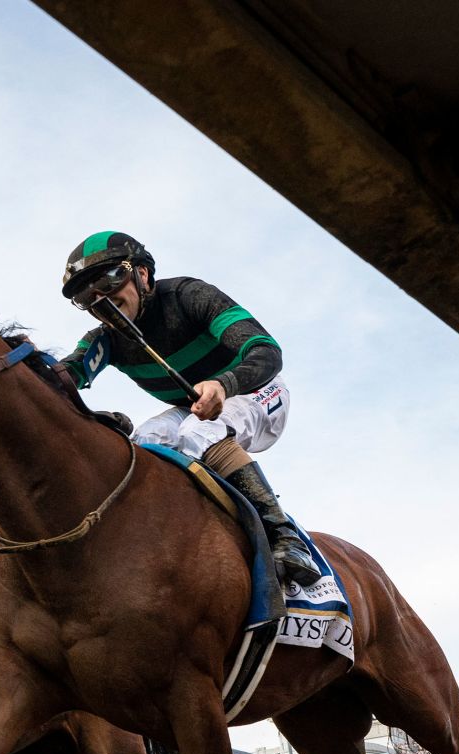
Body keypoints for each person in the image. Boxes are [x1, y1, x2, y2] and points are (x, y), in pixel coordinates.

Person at [57, 231, 320, 586]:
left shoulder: (187, 295)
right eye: (86, 295)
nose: (101, 297)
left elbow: (267, 352)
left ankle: (284, 535)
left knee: (198, 432)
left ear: (143, 274)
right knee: (144, 444)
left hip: (259, 389)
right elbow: (62, 377)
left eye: (110, 279)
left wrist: (224, 384)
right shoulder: (104, 340)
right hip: (191, 407)